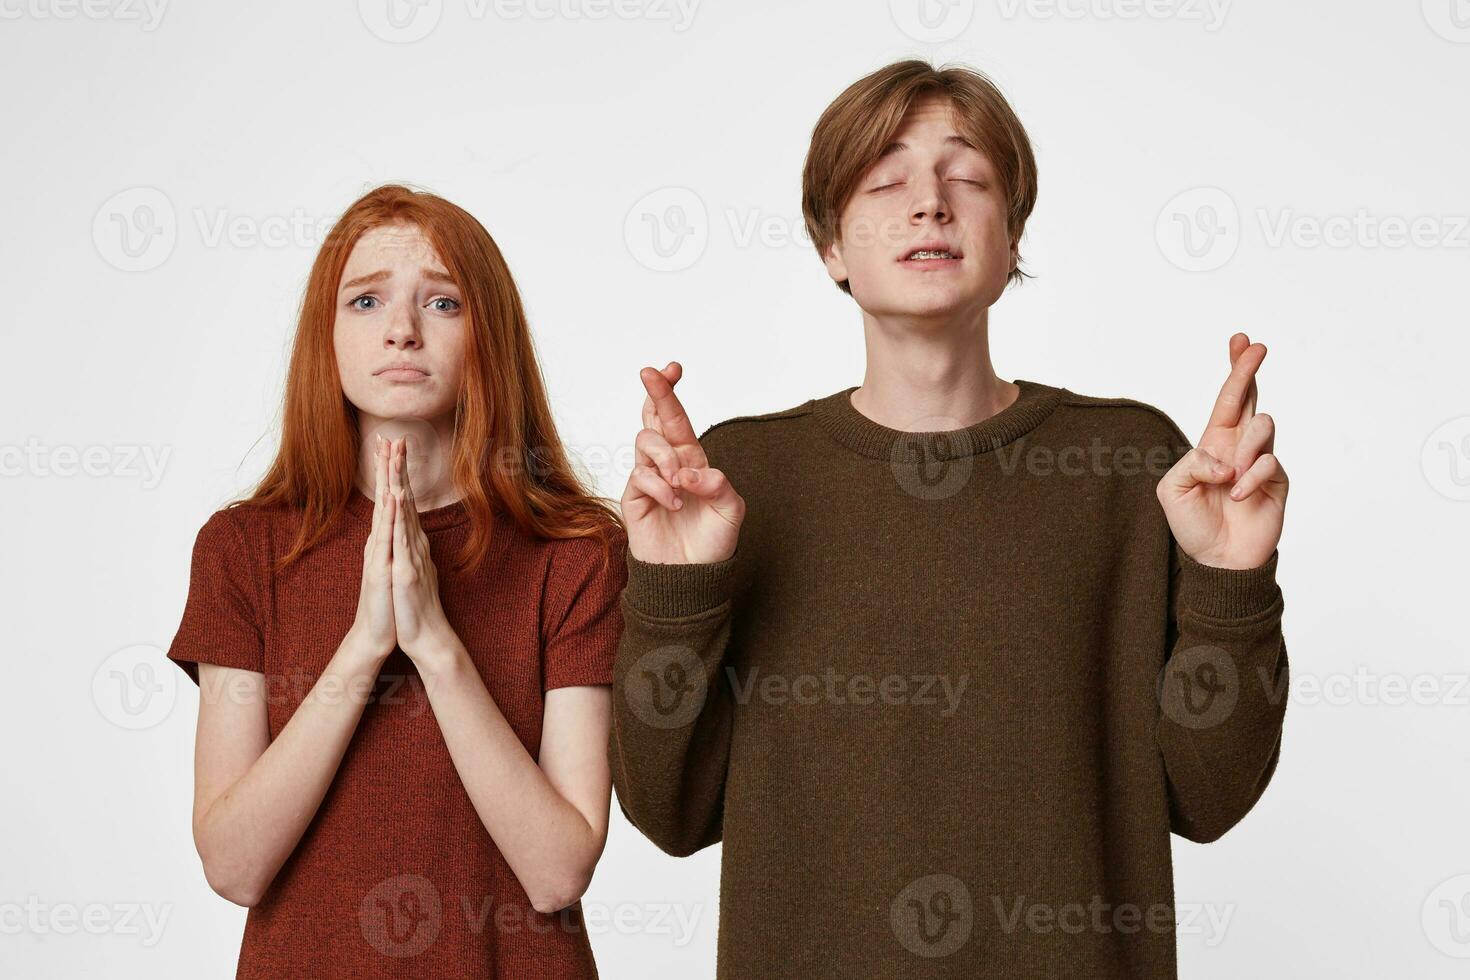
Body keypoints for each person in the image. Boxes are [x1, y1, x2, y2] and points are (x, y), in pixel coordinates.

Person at [609, 60, 1290, 978]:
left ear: (1011, 238)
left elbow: (1208, 799)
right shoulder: (738, 479)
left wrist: (1232, 584)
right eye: (885, 180)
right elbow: (670, 812)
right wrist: (672, 594)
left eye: (967, 179)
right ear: (830, 248)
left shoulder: (1133, 465)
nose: (929, 203)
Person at [165, 184, 627, 977]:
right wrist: (363, 646)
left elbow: (558, 871)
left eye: (442, 303)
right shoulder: (242, 549)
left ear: (489, 333)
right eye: (367, 300)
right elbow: (233, 866)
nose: (403, 331)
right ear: (328, 334)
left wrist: (435, 644)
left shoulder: (577, 553)